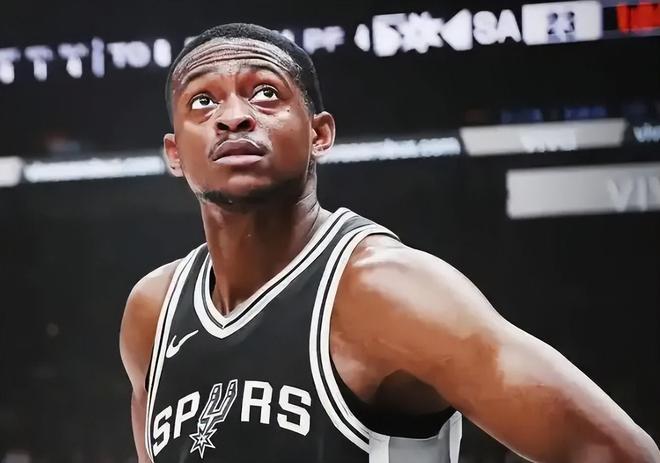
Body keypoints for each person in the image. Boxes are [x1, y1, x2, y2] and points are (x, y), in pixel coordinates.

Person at [119, 23, 660, 463]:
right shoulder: (152, 313)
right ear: (174, 153)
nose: (235, 116)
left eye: (266, 93)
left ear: (319, 134)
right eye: (203, 102)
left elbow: (615, 452)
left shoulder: (388, 291)